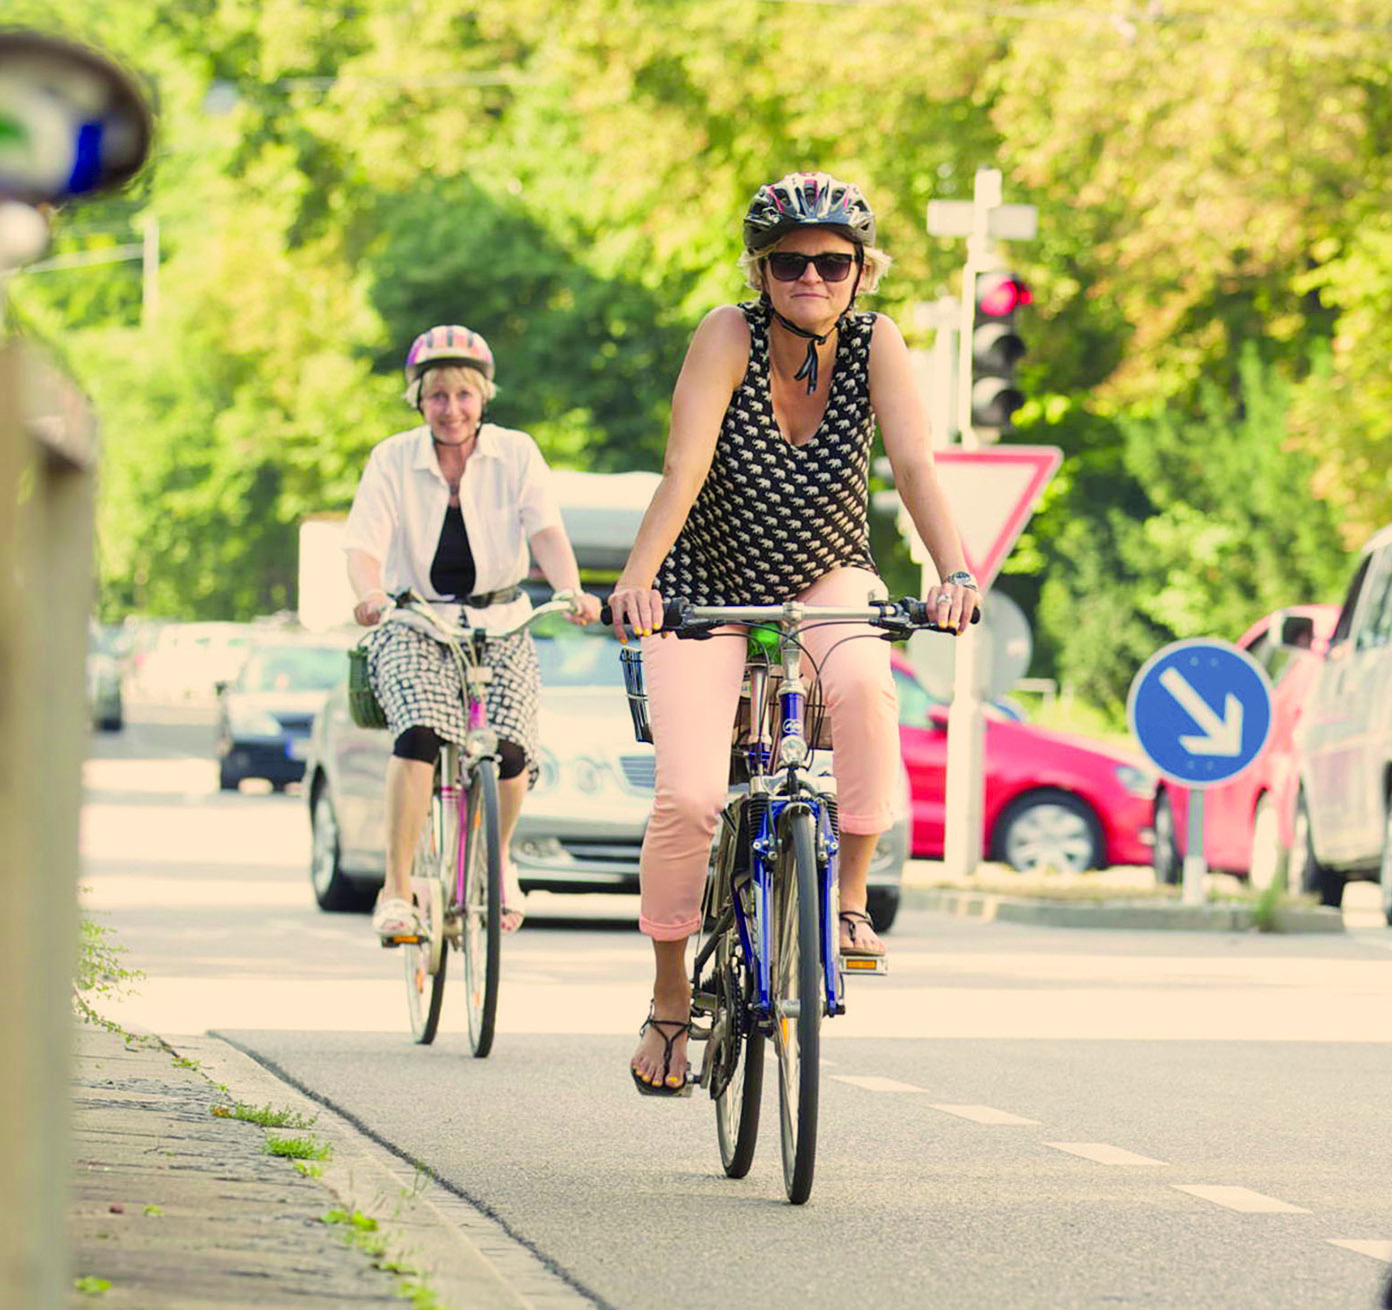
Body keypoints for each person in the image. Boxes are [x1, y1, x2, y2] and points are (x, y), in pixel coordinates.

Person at [606, 173, 981, 1094]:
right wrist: (640, 580)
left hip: (826, 574)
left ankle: (849, 903)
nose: (810, 276)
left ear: (861, 271)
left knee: (863, 684)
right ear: (762, 270)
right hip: (708, 586)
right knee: (692, 797)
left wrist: (955, 571)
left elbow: (915, 466)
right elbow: (683, 466)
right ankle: (667, 1003)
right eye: (789, 262)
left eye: (832, 262)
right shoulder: (725, 335)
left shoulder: (876, 343)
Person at [345, 325, 602, 943]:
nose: (451, 408)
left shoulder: (516, 453)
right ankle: (397, 889)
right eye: (437, 395)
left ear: (484, 396)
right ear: (418, 400)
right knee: (420, 735)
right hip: (416, 620)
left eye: (464, 394)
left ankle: (495, 856)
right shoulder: (392, 459)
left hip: (503, 618)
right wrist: (369, 594)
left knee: (512, 751)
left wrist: (569, 590)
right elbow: (363, 543)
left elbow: (545, 531)